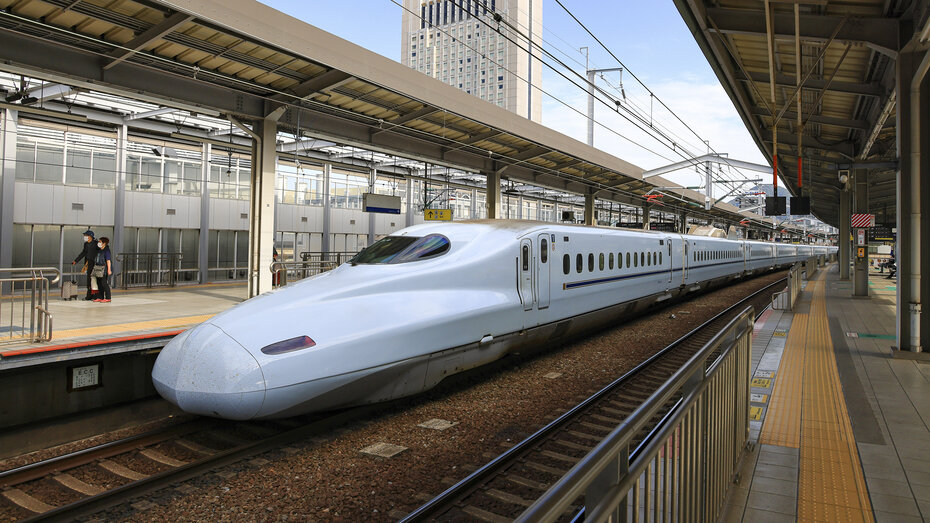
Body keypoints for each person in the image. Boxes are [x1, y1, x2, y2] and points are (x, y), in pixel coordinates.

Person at [71, 229, 100, 301]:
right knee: (89, 280)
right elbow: (83, 253)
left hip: (95, 264)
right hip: (88, 263)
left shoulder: (96, 243)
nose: (85, 237)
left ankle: (96, 296)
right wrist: (76, 260)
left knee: (95, 280)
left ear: (90, 236)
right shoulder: (86, 244)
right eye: (84, 235)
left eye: (86, 235)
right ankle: (89, 296)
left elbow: (101, 251)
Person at [93, 237, 113, 303]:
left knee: (104, 283)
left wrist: (109, 270)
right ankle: (100, 297)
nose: (99, 243)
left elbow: (108, 261)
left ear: (104, 243)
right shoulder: (99, 250)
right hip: (98, 268)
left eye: (100, 242)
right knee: (99, 283)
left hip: (104, 269)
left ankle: (108, 297)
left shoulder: (106, 251)